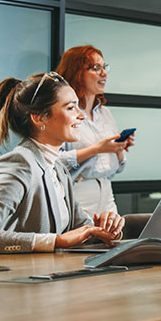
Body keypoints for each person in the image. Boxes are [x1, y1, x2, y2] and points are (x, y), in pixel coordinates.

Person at [0, 72, 124, 254]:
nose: (81, 116)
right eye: (70, 108)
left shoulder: (57, 166)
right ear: (40, 118)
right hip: (22, 278)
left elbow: (81, 228)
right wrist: (56, 241)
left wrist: (105, 230)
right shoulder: (20, 164)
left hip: (53, 275)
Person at [55, 45, 134, 217]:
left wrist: (118, 149)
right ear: (76, 73)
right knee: (80, 243)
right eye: (95, 68)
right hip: (77, 193)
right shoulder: (64, 113)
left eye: (104, 67)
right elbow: (54, 162)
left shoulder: (105, 113)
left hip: (106, 193)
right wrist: (98, 149)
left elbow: (116, 169)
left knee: (114, 242)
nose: (104, 73)